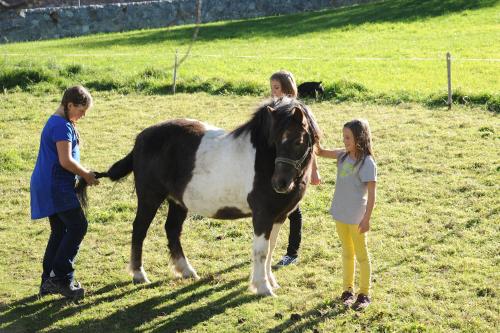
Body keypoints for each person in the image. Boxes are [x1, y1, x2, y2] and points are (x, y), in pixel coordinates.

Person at [30, 85, 99, 301]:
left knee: (59, 231)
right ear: (70, 105)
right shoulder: (61, 125)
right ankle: (60, 277)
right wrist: (86, 174)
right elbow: (66, 161)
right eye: (82, 110)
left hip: (51, 183)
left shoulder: (58, 122)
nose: (83, 115)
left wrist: (84, 173)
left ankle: (47, 282)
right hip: (56, 185)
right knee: (78, 225)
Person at [317, 119, 377, 310]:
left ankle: (364, 294)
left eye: (348, 137)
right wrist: (314, 136)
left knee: (361, 256)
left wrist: (366, 219)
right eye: (343, 137)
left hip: (357, 219)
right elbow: (320, 151)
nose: (344, 141)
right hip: (340, 215)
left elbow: (372, 195)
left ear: (359, 138)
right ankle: (348, 291)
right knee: (347, 253)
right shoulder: (343, 156)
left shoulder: (367, 163)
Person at [269, 70, 321, 267]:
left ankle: (292, 252)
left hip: (294, 170)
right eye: (271, 88)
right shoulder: (273, 109)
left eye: (276, 88)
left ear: (287, 88)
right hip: (278, 168)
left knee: (294, 211)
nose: (273, 92)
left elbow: (311, 145)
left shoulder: (299, 111)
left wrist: (314, 171)